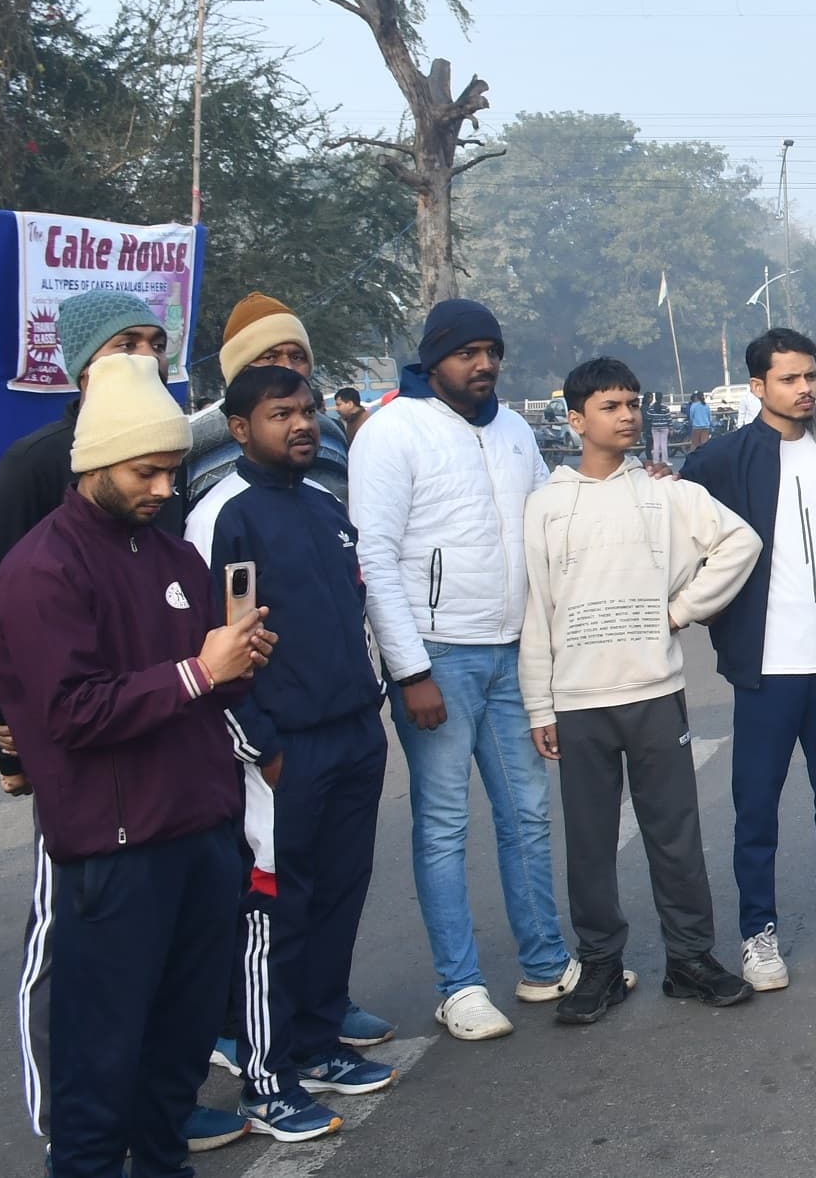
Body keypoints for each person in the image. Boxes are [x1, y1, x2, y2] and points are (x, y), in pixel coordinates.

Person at [0, 351, 278, 1176]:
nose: (162, 488)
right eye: (144, 471)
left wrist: (236, 662)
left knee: (174, 1075)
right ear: (95, 463)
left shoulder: (174, 556)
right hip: (113, 858)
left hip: (201, 835)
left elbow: (200, 690)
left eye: (171, 470)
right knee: (97, 1083)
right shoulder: (39, 571)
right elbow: (70, 713)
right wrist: (199, 672)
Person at [350, 299, 578, 1042]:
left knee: (528, 816)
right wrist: (409, 668)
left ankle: (545, 963)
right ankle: (460, 986)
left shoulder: (513, 431)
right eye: (466, 353)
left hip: (513, 651)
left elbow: (549, 518)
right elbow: (375, 556)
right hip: (438, 656)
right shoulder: (392, 431)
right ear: (433, 358)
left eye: (491, 351)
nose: (483, 365)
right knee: (445, 825)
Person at [185, 365, 397, 1141]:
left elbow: (357, 610)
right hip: (280, 752)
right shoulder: (222, 516)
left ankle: (317, 1043)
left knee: (338, 895)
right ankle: (266, 1080)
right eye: (282, 414)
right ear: (241, 429)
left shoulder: (324, 504)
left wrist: (372, 705)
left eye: (308, 410)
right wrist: (261, 749)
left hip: (353, 736)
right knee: (277, 913)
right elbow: (212, 648)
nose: (303, 424)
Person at [523, 358, 762, 1023]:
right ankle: (600, 965)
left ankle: (690, 959)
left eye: (632, 403)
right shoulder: (547, 505)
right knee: (590, 842)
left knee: (674, 833)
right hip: (578, 701)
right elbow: (536, 610)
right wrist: (540, 704)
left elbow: (740, 543)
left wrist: (680, 611)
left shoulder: (665, 492)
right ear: (576, 420)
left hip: (656, 692)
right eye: (610, 406)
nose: (627, 415)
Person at [683, 329, 816, 988]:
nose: (805, 389)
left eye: (810, 376)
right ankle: (758, 934)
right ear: (758, 387)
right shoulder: (720, 462)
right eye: (789, 378)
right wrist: (711, 611)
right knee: (756, 807)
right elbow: (685, 540)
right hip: (766, 664)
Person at [186, 292, 353, 507]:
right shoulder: (193, 439)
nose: (287, 368)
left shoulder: (330, 433)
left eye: (297, 357)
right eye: (269, 357)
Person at [646, 394, 675, 465]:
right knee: (664, 444)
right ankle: (665, 460)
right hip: (664, 427)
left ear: (655, 398)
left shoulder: (651, 407)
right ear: (661, 398)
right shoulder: (665, 407)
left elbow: (648, 416)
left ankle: (655, 461)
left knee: (656, 444)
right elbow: (668, 418)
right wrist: (671, 428)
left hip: (655, 427)